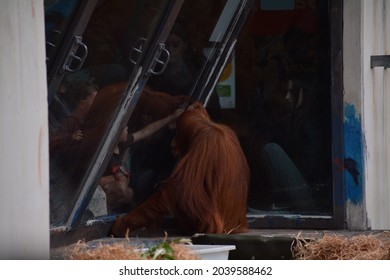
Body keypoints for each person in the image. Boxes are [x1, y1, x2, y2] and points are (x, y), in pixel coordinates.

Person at [111, 101, 250, 236]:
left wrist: (125, 223)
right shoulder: (224, 136)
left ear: (187, 136)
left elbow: (171, 194)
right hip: (231, 224)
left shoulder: (204, 146)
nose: (173, 143)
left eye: (178, 135)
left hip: (213, 228)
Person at [260, 77, 331, 211]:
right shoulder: (297, 119)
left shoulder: (311, 125)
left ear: (304, 93)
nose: (287, 97)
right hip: (306, 190)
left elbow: (310, 171)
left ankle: (284, 205)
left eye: (292, 92)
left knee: (271, 150)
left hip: (310, 195)